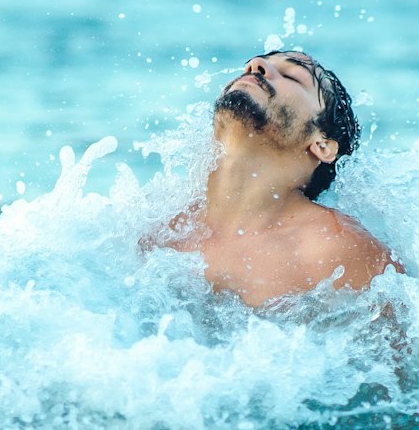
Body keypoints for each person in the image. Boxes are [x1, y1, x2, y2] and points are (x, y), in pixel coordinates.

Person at [164, 49, 403, 308]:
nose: (256, 65)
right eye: (250, 66)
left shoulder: (338, 249)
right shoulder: (156, 233)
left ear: (322, 145)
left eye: (292, 76)